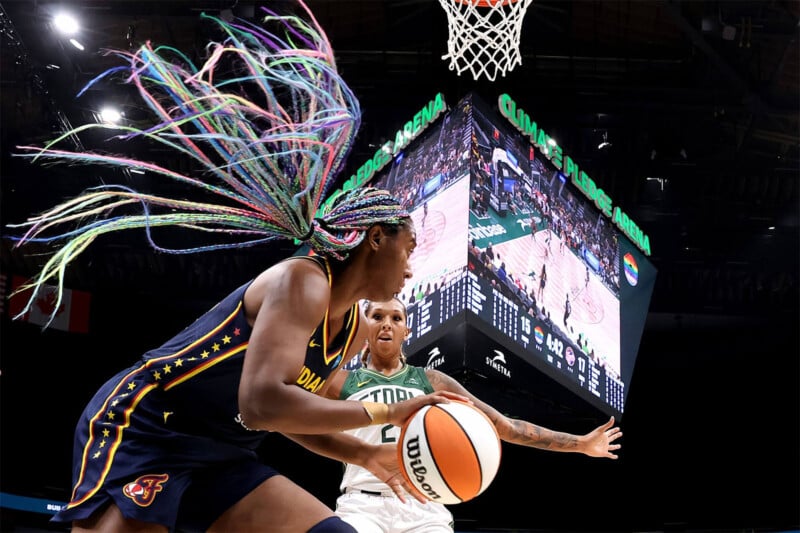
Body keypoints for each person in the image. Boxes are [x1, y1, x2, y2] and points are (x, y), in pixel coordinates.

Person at [7, 5, 467, 532]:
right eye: (409, 248)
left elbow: (291, 419)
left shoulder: (353, 328)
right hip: (147, 426)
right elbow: (262, 401)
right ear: (375, 238)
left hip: (222, 449)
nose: (411, 267)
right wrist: (387, 415)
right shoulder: (303, 279)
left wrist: (363, 456)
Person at [323, 297, 623, 533]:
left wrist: (580, 444)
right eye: (377, 316)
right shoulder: (341, 381)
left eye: (395, 318)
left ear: (406, 331)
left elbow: (504, 426)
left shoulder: (432, 381)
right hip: (363, 501)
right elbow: (290, 406)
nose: (386, 324)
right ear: (365, 328)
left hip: (424, 505)